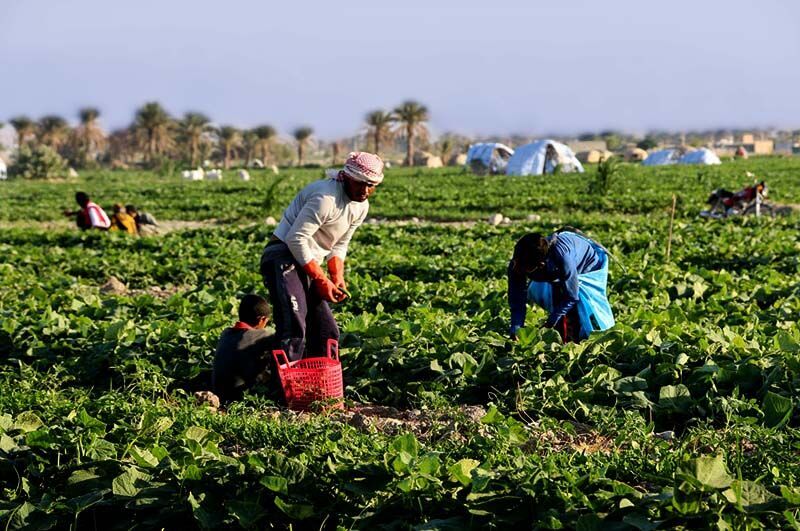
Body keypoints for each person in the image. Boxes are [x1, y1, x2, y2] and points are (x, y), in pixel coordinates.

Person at [260, 151, 384, 361]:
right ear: (346, 177)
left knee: (326, 330)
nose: (365, 190)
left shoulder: (361, 206)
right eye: (360, 183)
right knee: (294, 325)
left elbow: (339, 245)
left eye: (370, 185)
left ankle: (319, 383)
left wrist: (337, 279)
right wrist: (320, 278)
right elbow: (296, 239)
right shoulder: (325, 198)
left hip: (307, 261)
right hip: (282, 255)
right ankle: (284, 386)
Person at [508, 228, 615, 343]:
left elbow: (571, 295)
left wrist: (550, 322)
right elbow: (517, 298)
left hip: (586, 264)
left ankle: (581, 340)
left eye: (523, 268)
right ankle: (561, 339)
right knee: (557, 302)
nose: (516, 269)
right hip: (555, 271)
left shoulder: (563, 258)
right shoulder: (518, 263)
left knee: (577, 310)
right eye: (515, 262)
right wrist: (516, 328)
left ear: (540, 265)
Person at [212, 294, 277, 404]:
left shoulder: (225, 333)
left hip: (218, 394)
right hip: (239, 398)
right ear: (262, 319)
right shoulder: (262, 335)